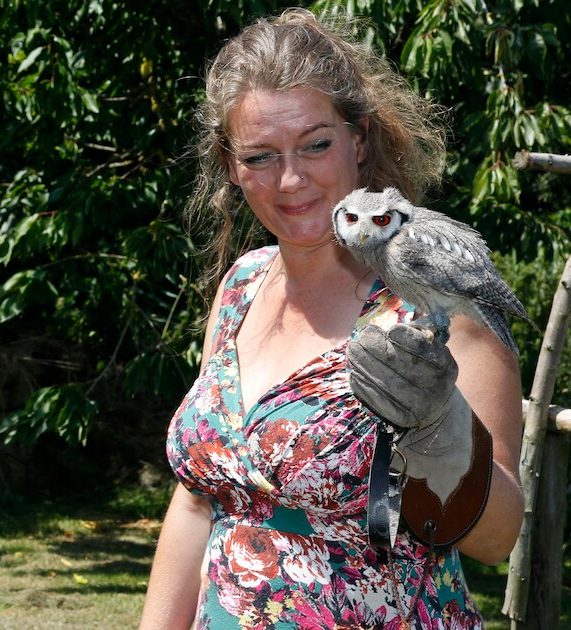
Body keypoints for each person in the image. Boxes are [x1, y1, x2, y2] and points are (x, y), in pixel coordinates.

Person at [139, 9, 522, 629]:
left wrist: (439, 427)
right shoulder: (240, 286)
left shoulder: (437, 304)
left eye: (316, 144)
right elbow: (199, 501)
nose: (291, 180)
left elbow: (497, 539)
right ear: (231, 165)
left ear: (360, 139)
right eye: (261, 156)